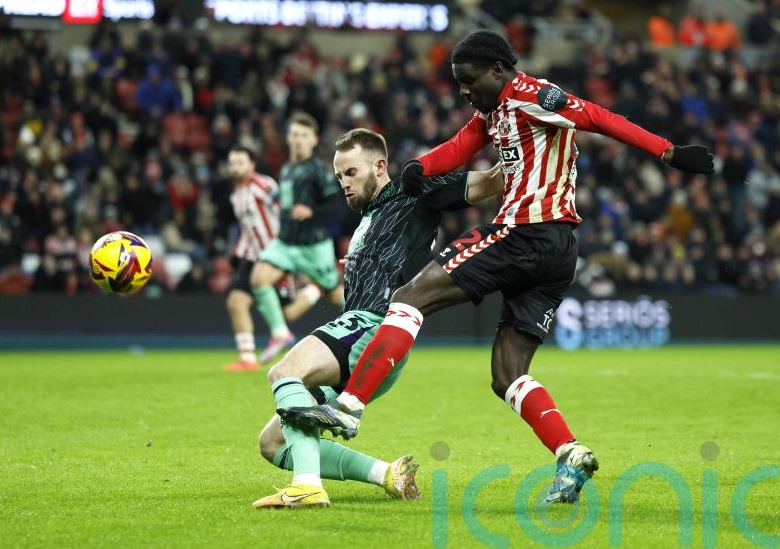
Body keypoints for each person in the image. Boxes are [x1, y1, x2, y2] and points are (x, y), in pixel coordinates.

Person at [278, 30, 715, 505]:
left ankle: (349, 407)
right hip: (557, 252)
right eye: (458, 84)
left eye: (469, 81)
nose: (465, 91)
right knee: (507, 374)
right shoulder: (493, 111)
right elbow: (464, 143)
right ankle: (569, 453)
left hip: (524, 232)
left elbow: (597, 116)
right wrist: (422, 166)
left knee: (407, 299)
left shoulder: (533, 96)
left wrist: (669, 152)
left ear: (499, 70)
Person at [252, 128, 503, 508]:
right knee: (272, 443)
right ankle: (387, 474)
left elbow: (490, 182)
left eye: (351, 172)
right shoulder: (369, 217)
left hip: (374, 327)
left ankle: (306, 486)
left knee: (285, 373)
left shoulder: (411, 191)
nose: (344, 184)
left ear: (380, 165)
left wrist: (533, 144)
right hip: (369, 344)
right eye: (339, 177)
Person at [249, 112, 345, 364]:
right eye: (294, 135)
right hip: (285, 243)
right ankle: (280, 334)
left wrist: (312, 211)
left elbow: (337, 205)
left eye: (304, 136)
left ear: (314, 140)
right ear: (288, 138)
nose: (298, 140)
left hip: (313, 247)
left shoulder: (319, 170)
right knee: (259, 278)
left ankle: (373, 324)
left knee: (337, 296)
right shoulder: (288, 168)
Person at [224, 146, 322, 372]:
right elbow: (248, 229)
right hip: (252, 257)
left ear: (252, 164)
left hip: (275, 256)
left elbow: (287, 210)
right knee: (236, 301)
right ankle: (247, 358)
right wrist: (238, 252)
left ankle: (317, 288)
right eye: (232, 163)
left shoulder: (264, 185)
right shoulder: (236, 194)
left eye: (240, 162)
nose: (235, 167)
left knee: (288, 313)